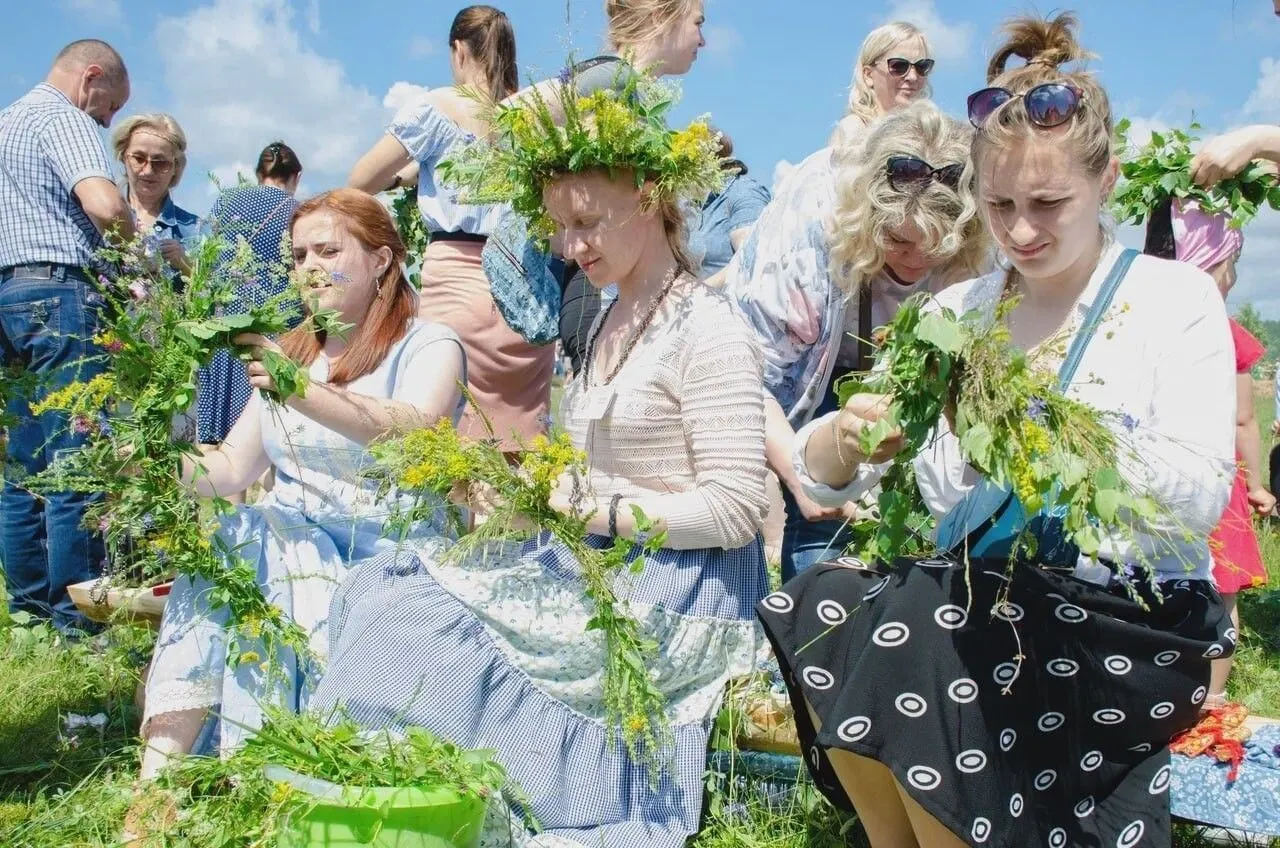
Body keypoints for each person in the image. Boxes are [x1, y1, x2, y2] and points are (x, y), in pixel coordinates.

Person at [758, 13, 1236, 848]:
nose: (1020, 231)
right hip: (986, 607)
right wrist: (844, 439)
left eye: (1049, 203)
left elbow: (1197, 500)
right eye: (1001, 204)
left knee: (924, 619)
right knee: (829, 601)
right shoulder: (956, 311)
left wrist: (1039, 427)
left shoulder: (1170, 300)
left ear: (1108, 180)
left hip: (1129, 618)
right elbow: (830, 472)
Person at [311, 76, 768, 847]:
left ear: (652, 195)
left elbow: (734, 508)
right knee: (391, 588)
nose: (570, 247)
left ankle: (455, 804)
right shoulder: (609, 311)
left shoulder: (707, 326)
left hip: (679, 588)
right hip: (607, 558)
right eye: (560, 228)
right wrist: (533, 500)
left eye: (586, 223)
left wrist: (591, 510)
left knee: (420, 621)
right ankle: (396, 806)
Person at [138, 188, 465, 780]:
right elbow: (233, 470)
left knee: (247, 538)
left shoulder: (428, 343)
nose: (309, 267)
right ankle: (154, 786)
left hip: (391, 555)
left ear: (381, 260)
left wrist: (298, 390)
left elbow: (415, 429)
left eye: (326, 250)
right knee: (237, 535)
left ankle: (266, 770)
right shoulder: (293, 352)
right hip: (288, 548)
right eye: (297, 255)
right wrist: (151, 454)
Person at [719, 24, 941, 581]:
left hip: (904, 384)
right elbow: (754, 369)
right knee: (825, 546)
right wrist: (801, 477)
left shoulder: (956, 180)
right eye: (898, 65)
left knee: (914, 548)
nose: (919, 260)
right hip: (820, 378)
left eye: (923, 66)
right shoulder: (819, 206)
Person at [349, 6, 554, 452]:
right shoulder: (531, 114)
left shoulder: (436, 108)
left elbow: (360, 181)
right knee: (519, 453)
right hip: (524, 290)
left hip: (456, 283)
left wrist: (405, 177)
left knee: (448, 446)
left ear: (459, 50)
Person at [0, 39, 134, 633]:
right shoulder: (64, 117)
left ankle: (26, 610)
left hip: (7, 297)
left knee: (23, 466)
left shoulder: (6, 123)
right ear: (92, 77)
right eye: (109, 107)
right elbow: (105, 205)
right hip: (59, 293)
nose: (106, 119)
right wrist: (141, 254)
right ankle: (76, 619)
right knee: (77, 459)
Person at [1147, 199, 1274, 710]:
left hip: (1155, 478)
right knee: (1221, 597)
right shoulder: (1226, 332)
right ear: (1214, 266)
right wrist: (1260, 484)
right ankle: (1214, 697)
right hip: (1215, 485)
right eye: (1231, 265)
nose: (1235, 278)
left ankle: (1159, 687)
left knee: (1158, 588)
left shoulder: (1144, 320)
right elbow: (1243, 420)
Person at [196, 141, 302, 449]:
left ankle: (226, 496)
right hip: (278, 325)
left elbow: (205, 257)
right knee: (270, 427)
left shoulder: (226, 201)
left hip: (226, 322)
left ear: (258, 173)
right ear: (296, 176)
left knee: (220, 434)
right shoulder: (299, 211)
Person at [110, 113, 199, 279]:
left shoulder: (195, 229)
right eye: (138, 158)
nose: (148, 170)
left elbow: (215, 293)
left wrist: (186, 264)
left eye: (160, 163)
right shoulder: (102, 218)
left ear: (175, 167)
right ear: (123, 157)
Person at [687, 131, 770, 279]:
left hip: (728, 300)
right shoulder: (696, 205)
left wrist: (697, 295)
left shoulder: (743, 192)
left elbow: (751, 261)